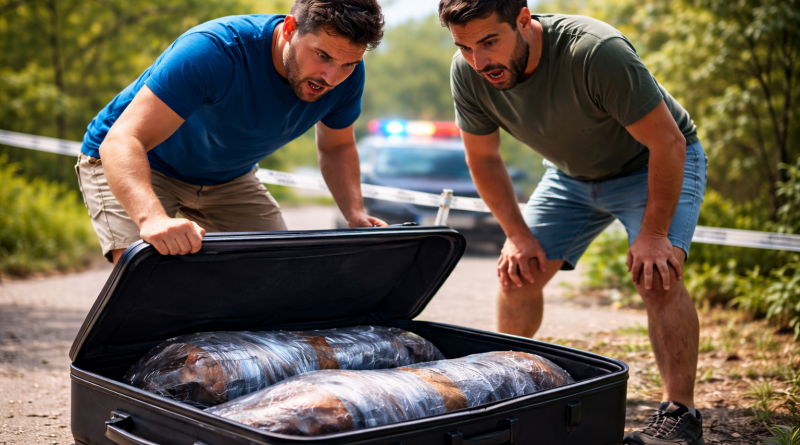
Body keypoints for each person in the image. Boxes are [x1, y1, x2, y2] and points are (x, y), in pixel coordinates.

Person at [438, 1, 706, 444]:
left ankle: (680, 417)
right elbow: (483, 158)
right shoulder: (467, 71)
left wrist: (655, 236)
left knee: (656, 275)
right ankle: (511, 392)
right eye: (464, 47)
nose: (478, 61)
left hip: (650, 163)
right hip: (569, 176)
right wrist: (518, 236)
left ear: (523, 20)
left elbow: (668, 142)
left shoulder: (595, 52)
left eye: (489, 42)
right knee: (517, 274)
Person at [76, 0, 387, 265]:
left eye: (348, 64)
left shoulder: (347, 75)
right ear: (290, 28)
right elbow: (123, 140)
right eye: (323, 56)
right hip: (140, 161)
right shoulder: (213, 52)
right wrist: (151, 219)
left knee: (278, 272)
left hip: (228, 178)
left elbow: (337, 147)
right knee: (150, 280)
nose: (331, 77)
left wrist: (355, 212)